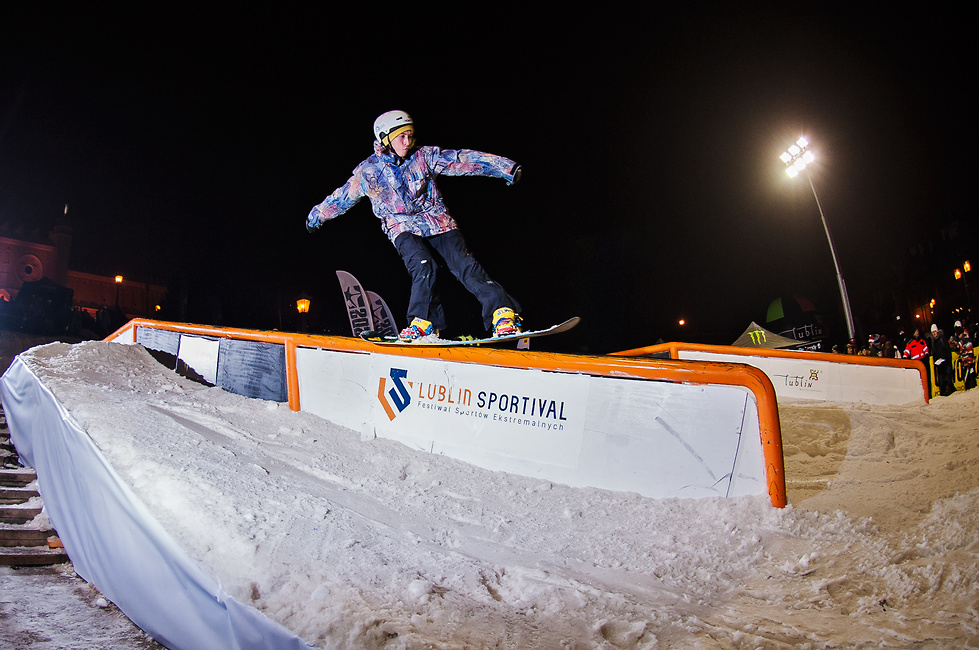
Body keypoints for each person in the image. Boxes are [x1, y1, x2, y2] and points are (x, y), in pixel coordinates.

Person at [306, 110, 524, 341]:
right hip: (400, 225)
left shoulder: (424, 156)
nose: (407, 142)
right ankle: (424, 322)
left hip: (436, 219)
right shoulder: (369, 171)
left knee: (464, 263)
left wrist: (506, 168)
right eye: (401, 137)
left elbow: (462, 160)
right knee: (423, 264)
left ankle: (503, 314)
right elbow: (342, 197)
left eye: (410, 136)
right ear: (385, 139)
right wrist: (316, 216)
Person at [929, 324, 954, 396]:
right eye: (933, 332)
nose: (934, 333)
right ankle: (943, 393)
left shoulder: (942, 339)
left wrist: (949, 362)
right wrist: (936, 361)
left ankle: (953, 391)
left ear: (937, 331)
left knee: (949, 381)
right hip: (939, 364)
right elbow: (934, 353)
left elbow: (948, 350)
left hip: (946, 362)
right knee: (941, 381)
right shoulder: (933, 342)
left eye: (935, 331)